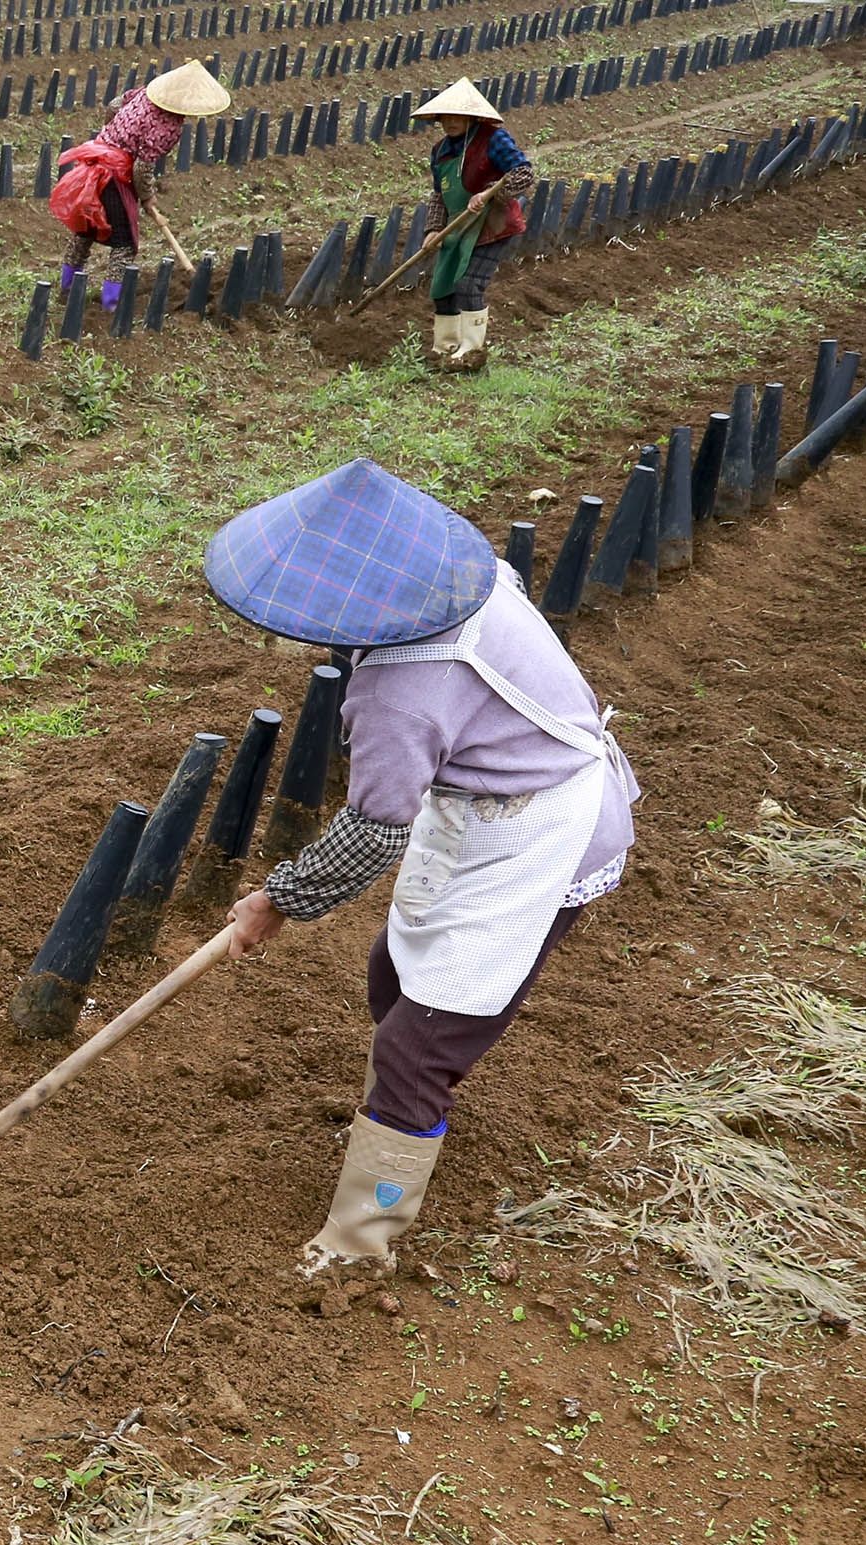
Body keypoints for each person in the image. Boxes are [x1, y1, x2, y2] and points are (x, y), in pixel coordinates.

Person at [208, 461, 638, 1284]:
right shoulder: (476, 579)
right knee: (391, 976)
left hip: (545, 833)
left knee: (419, 1043)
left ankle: (364, 1235)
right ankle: (403, 1124)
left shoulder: (401, 693)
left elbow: (373, 831)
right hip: (491, 809)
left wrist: (276, 901)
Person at [50, 60, 229, 312]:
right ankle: (110, 306)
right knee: (124, 245)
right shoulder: (170, 126)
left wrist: (112, 132)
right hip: (113, 176)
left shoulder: (144, 92)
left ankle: (64, 292)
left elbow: (114, 105)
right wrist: (147, 197)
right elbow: (141, 168)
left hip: (95, 160)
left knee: (86, 230)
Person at [413, 79, 535, 373]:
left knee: (469, 284)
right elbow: (440, 195)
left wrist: (490, 191)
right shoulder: (440, 151)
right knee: (442, 287)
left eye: (458, 116)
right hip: (458, 226)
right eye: (446, 117)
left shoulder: (494, 139)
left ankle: (471, 351)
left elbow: (523, 173)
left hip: (493, 224)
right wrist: (432, 229)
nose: (451, 122)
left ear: (471, 116)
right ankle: (445, 348)